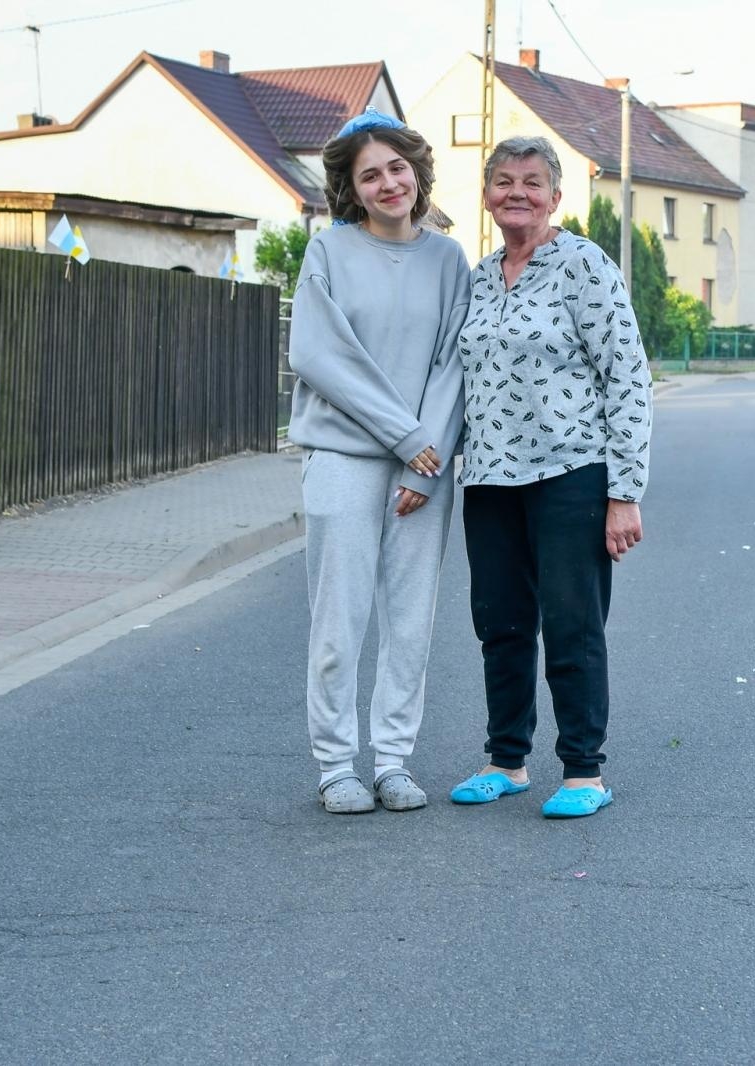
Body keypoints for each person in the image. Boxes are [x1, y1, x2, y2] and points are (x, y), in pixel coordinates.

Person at [449, 135, 652, 819]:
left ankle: (583, 772)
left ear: (555, 197)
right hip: (489, 480)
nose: (517, 193)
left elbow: (627, 377)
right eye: (504, 181)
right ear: (486, 196)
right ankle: (506, 761)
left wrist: (624, 493)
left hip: (571, 474)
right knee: (500, 625)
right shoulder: (478, 278)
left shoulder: (584, 265)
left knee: (573, 625)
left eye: (532, 182)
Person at [286, 108, 470, 814]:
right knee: (339, 624)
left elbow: (453, 365)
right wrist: (404, 439)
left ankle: (393, 760)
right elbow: (319, 354)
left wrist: (425, 461)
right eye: (371, 175)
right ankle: (337, 765)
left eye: (398, 168)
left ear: (417, 172)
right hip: (343, 458)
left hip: (424, 468)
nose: (389, 183)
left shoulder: (448, 260)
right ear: (351, 188)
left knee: (409, 623)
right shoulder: (329, 252)